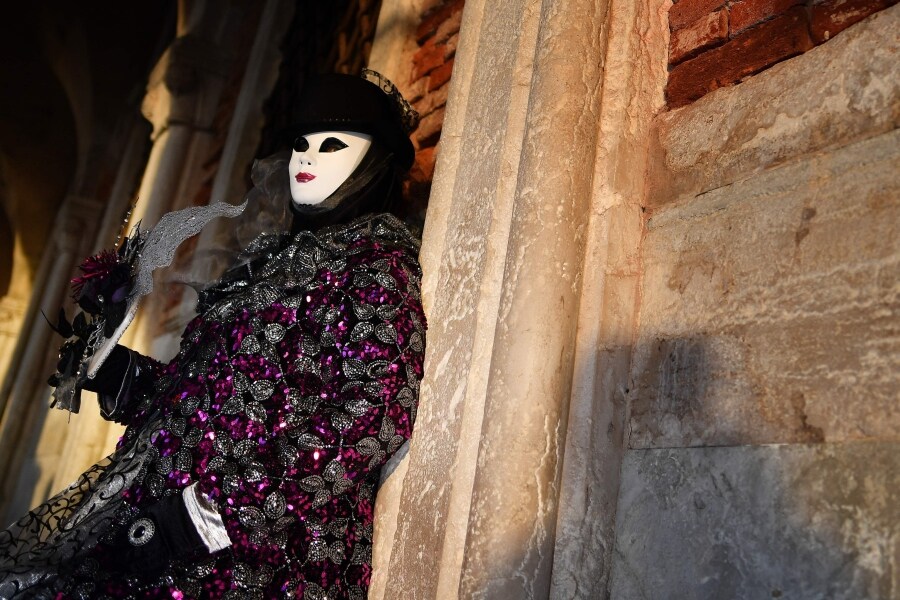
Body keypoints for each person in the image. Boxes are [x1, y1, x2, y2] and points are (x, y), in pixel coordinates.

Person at [0, 70, 425, 600]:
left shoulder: (375, 268)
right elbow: (208, 401)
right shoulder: (264, 267)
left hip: (261, 555)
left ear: (375, 162)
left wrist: (212, 511)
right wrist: (117, 372)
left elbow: (374, 413)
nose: (307, 158)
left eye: (332, 144)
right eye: (299, 143)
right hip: (156, 518)